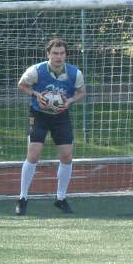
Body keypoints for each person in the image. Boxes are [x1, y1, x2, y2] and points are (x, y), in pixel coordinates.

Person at [15, 38, 86, 215]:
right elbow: (21, 85)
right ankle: (22, 198)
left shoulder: (75, 73)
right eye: (55, 53)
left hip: (61, 116)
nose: (58, 57)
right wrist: (36, 94)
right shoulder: (36, 71)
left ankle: (60, 199)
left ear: (66, 55)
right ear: (48, 54)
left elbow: (81, 92)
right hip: (38, 115)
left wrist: (69, 101)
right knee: (33, 154)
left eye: (62, 53)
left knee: (67, 156)